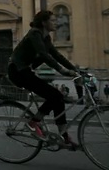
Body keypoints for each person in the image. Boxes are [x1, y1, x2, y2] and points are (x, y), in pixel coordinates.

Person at [7, 10, 79, 150]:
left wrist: (75, 70)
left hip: (26, 71)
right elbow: (43, 55)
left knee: (58, 98)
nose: (56, 22)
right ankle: (33, 122)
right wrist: (62, 71)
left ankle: (63, 136)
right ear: (44, 22)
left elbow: (57, 55)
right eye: (52, 20)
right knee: (55, 95)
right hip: (17, 71)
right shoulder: (35, 33)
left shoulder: (46, 38)